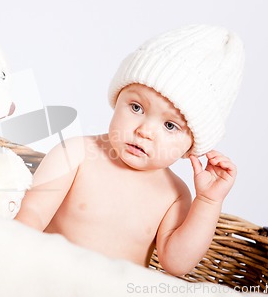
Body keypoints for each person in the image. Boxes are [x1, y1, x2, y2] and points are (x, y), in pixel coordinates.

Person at [15, 24, 245, 276]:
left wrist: (208, 201)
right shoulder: (76, 154)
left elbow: (177, 264)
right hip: (54, 277)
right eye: (136, 107)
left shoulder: (175, 194)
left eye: (170, 125)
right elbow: (32, 214)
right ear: (117, 99)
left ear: (190, 148)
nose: (144, 130)